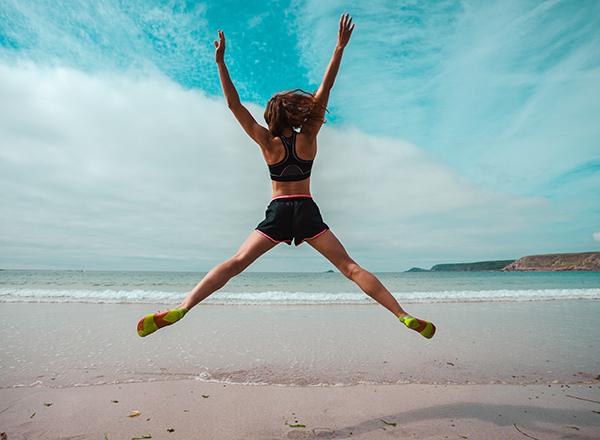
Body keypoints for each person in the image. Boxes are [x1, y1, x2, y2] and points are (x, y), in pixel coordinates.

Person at [137, 14, 435, 339]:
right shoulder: (308, 136)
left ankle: (184, 306)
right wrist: (339, 47)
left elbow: (233, 104)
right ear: (293, 113)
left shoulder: (267, 142)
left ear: (270, 117)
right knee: (350, 268)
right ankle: (402, 315)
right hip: (306, 208)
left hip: (279, 210)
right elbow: (326, 88)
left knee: (236, 262)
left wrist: (221, 62)